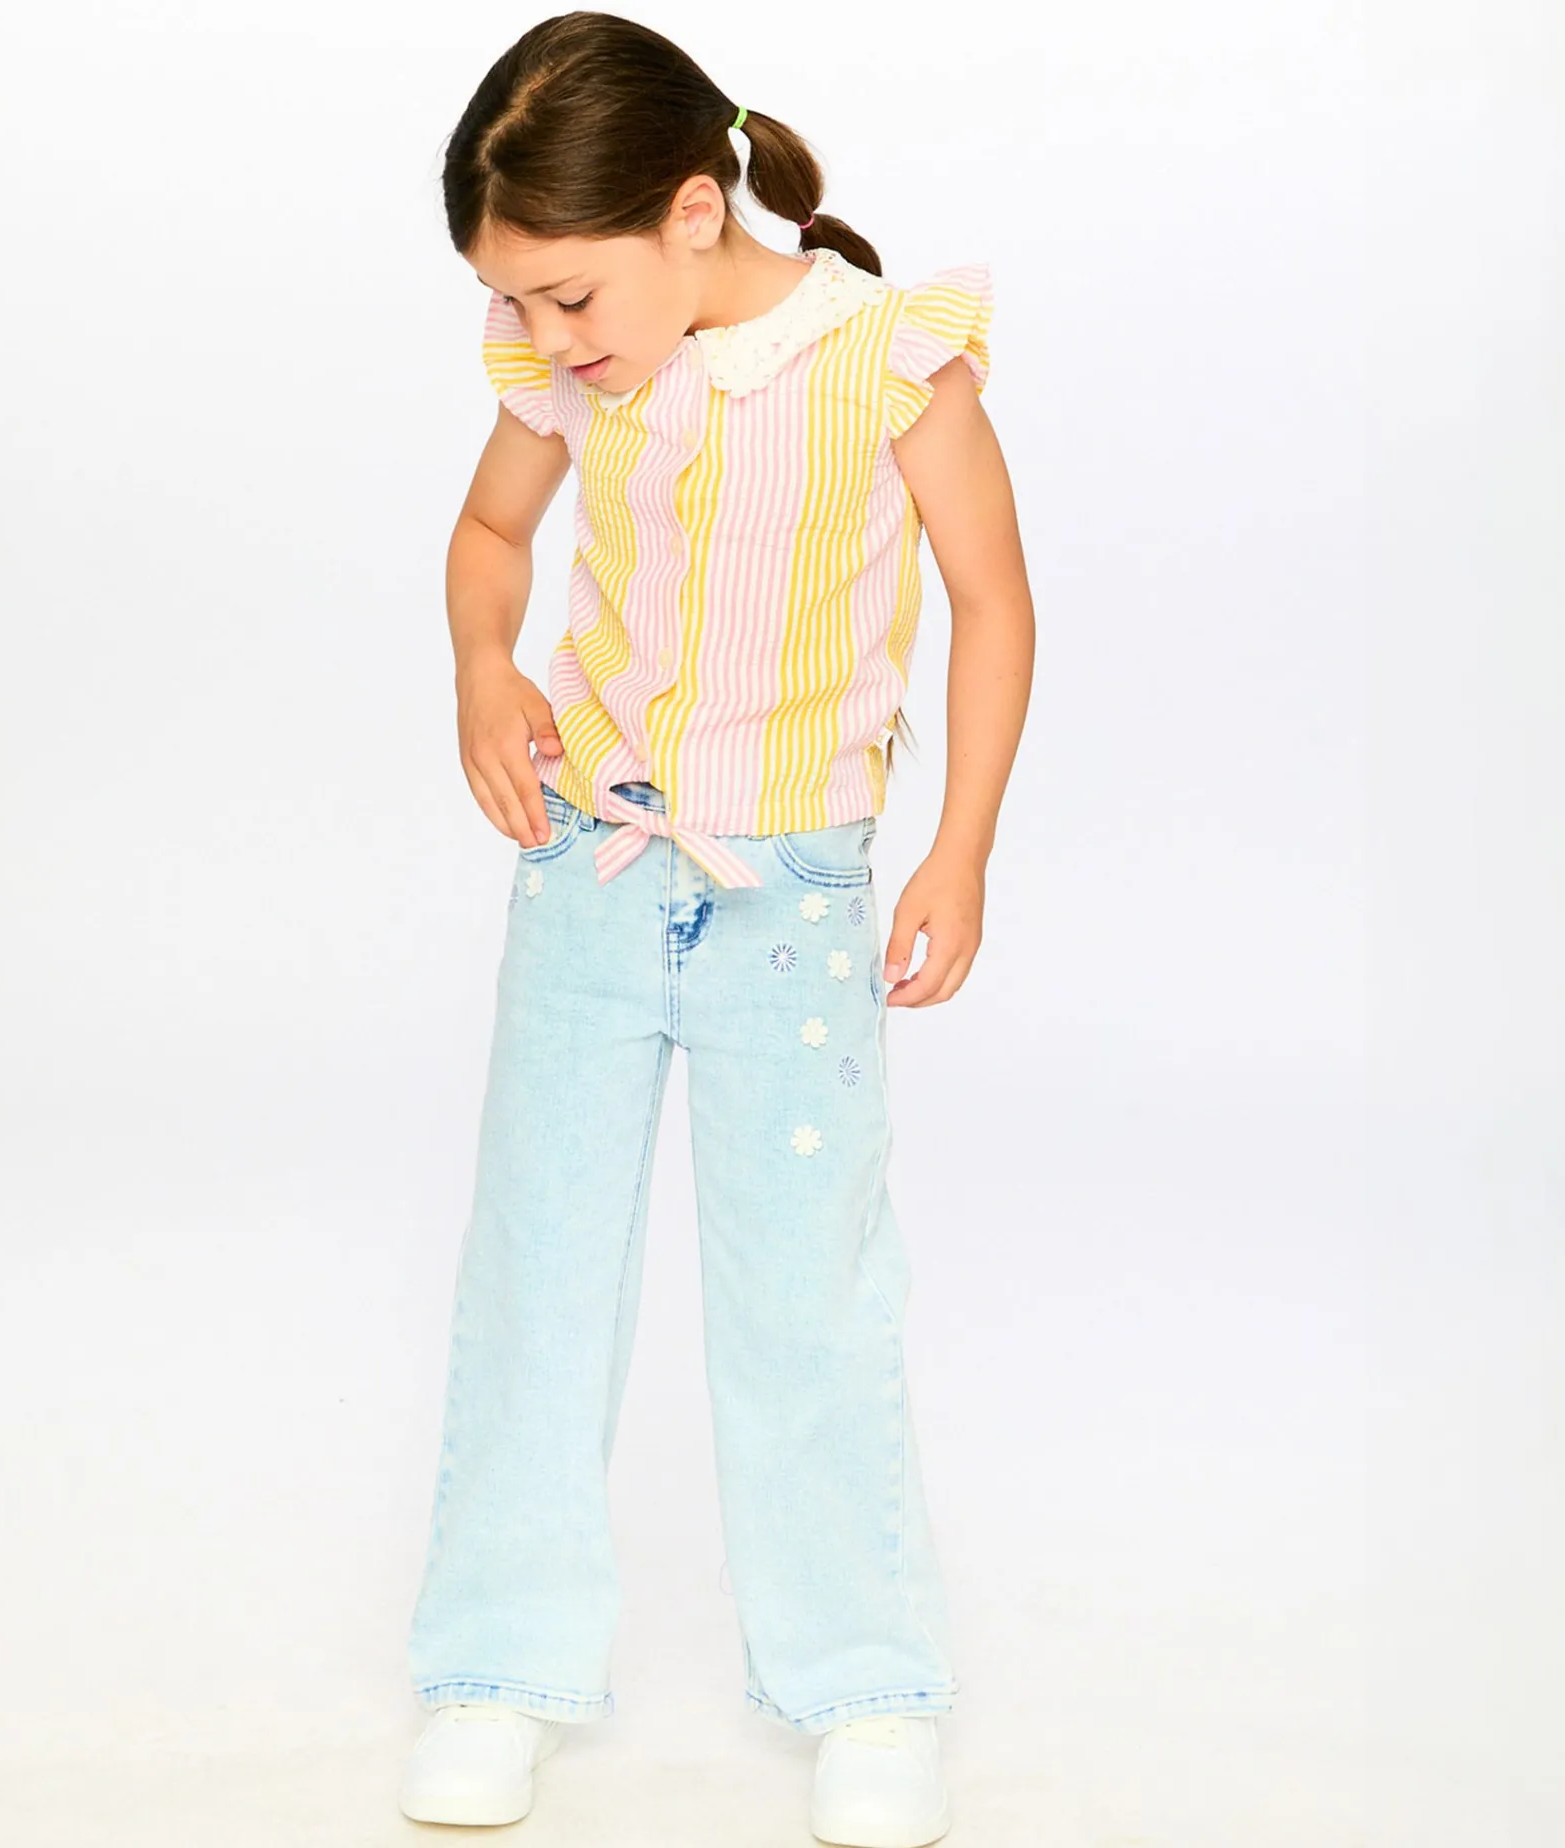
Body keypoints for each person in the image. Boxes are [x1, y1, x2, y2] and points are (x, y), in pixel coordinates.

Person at [398, 14, 1033, 1846]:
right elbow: (491, 535)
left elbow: (993, 604)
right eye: (515, 303)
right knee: (538, 1271)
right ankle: (498, 1666)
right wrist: (481, 664)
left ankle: (865, 1685)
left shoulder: (890, 362)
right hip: (590, 871)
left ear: (693, 211)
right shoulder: (578, 367)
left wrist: (960, 846)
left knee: (805, 1297)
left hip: (791, 906)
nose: (546, 337)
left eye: (566, 294)